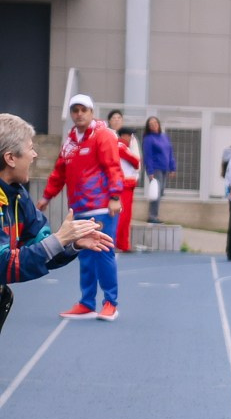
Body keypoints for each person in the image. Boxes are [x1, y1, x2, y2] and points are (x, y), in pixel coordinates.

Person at [2, 114, 113, 336]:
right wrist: (59, 239)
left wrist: (71, 243)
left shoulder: (18, 196)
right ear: (11, 158)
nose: (35, 155)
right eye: (30, 148)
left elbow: (42, 246)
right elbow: (3, 264)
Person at [45, 94, 126, 316]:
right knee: (85, 256)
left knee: (104, 253)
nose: (79, 114)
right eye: (75, 110)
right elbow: (59, 173)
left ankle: (110, 303)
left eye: (83, 110)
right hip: (79, 207)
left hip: (102, 207)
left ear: (91, 112)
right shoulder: (70, 142)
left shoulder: (103, 135)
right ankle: (87, 302)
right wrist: (46, 197)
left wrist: (115, 197)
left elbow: (113, 166)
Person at [105, 110, 139, 252]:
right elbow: (136, 162)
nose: (131, 137)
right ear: (125, 136)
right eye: (130, 135)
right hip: (123, 184)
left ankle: (123, 244)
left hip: (127, 184)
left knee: (125, 216)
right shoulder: (120, 146)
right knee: (122, 216)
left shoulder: (121, 146)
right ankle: (120, 244)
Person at [140, 115, 174, 224]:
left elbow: (170, 152)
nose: (153, 126)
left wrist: (172, 167)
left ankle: (155, 214)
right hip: (156, 169)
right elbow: (148, 156)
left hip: (165, 168)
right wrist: (150, 171)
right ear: (148, 127)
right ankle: (152, 216)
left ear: (158, 124)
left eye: (155, 123)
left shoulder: (164, 137)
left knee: (161, 192)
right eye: (151, 124)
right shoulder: (149, 139)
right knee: (156, 193)